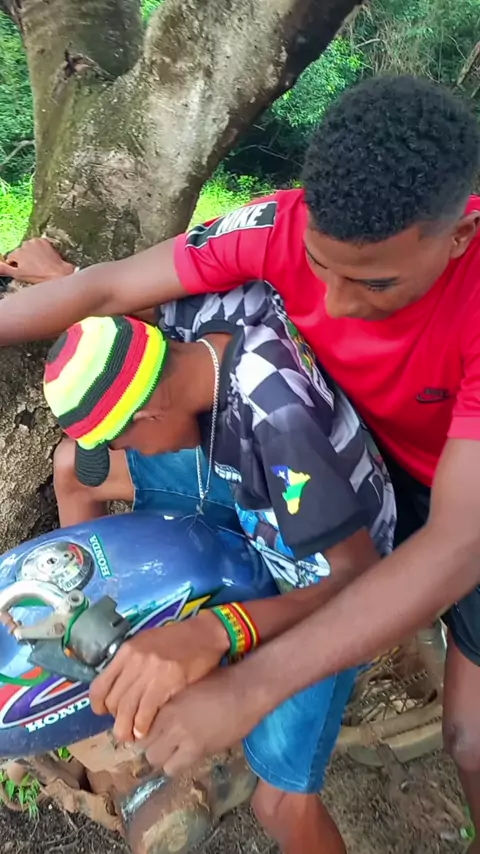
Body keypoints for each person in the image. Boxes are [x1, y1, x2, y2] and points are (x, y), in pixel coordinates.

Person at [1, 73, 480, 848]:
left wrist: (240, 667)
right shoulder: (276, 229)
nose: (336, 303)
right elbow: (111, 289)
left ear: (458, 236)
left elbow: (456, 544)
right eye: (320, 266)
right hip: (330, 454)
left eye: (376, 283)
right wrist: (62, 290)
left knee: (470, 738)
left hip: (451, 497)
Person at [42, 281, 395, 854]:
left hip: (323, 569)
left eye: (123, 441)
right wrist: (60, 276)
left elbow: (362, 584)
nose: (131, 453)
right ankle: (106, 655)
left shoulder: (279, 425)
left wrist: (218, 629)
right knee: (73, 470)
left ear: (150, 412)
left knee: (278, 805)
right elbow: (118, 301)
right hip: (257, 492)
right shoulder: (196, 332)